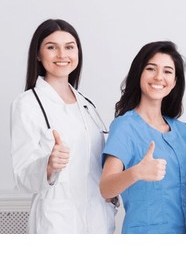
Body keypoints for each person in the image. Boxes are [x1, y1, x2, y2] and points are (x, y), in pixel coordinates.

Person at [10, 19, 116, 233]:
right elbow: (22, 177)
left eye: (69, 47)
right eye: (52, 47)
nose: (62, 55)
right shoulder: (27, 103)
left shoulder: (87, 105)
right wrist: (48, 166)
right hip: (57, 222)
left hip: (97, 221)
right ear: (38, 55)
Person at [99, 41, 186, 234]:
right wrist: (137, 173)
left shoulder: (182, 131)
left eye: (168, 71)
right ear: (139, 74)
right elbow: (106, 188)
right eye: (151, 68)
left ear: (175, 81)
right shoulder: (125, 126)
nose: (159, 77)